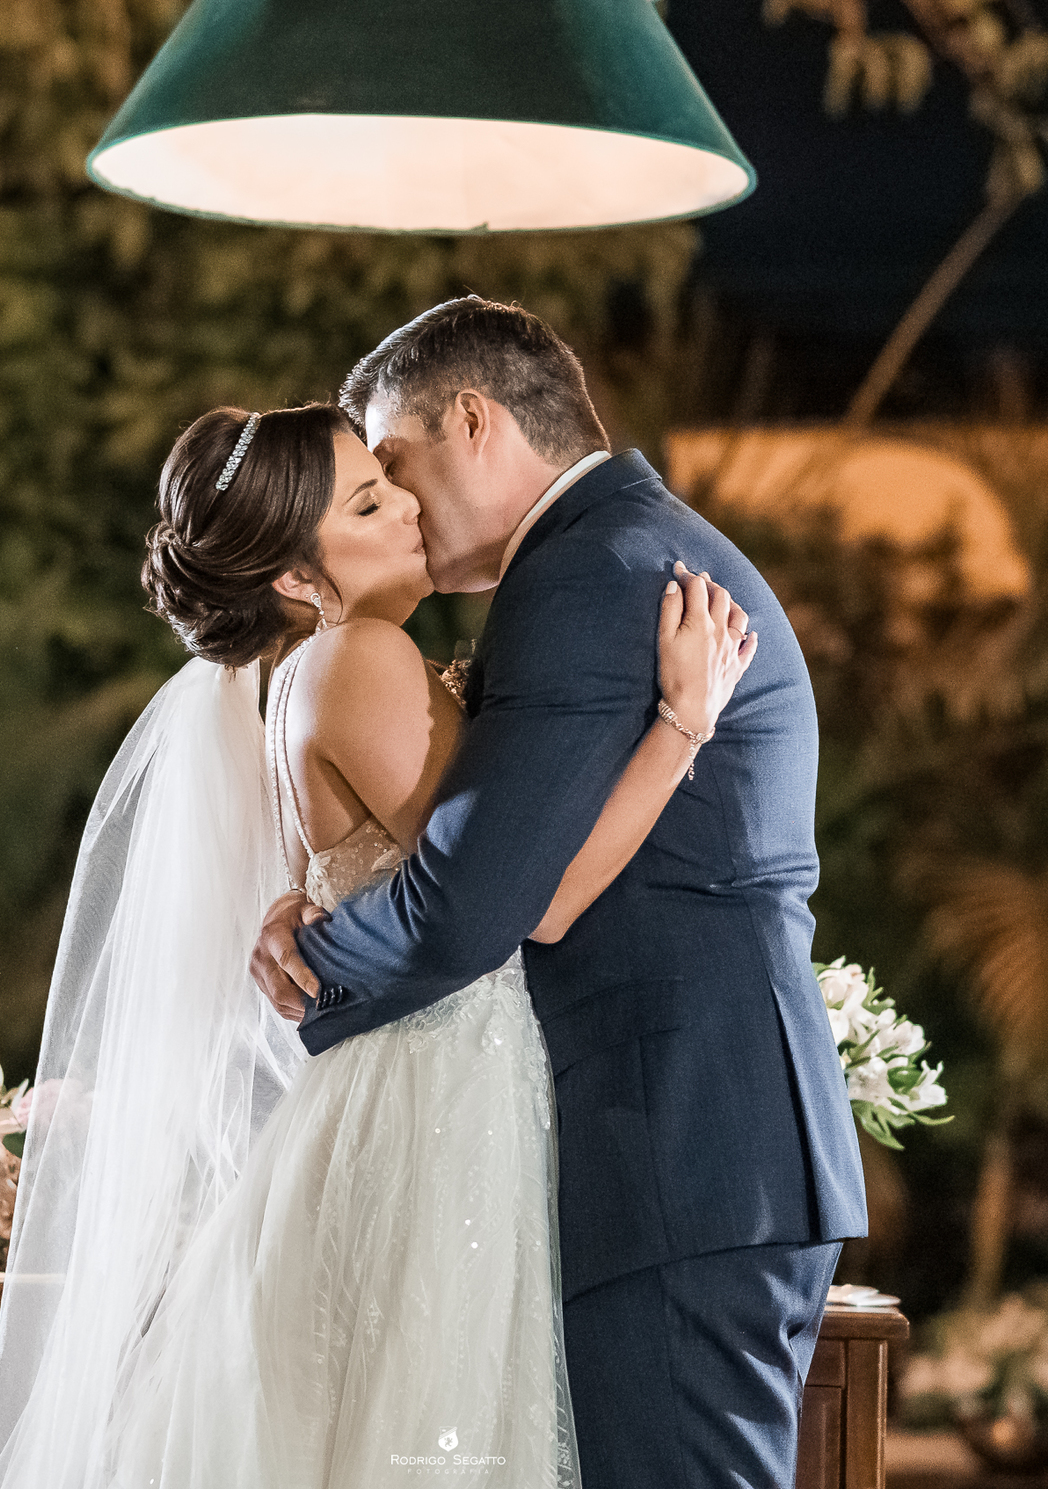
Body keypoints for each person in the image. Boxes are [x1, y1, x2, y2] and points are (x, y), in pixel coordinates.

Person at [0, 397, 754, 1489]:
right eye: (370, 504)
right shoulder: (361, 658)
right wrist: (683, 723)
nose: (411, 509)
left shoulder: (316, 672)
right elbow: (538, 903)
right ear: (300, 576)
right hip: (435, 1091)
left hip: (407, 1081)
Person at [252, 297, 870, 1489]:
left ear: (472, 422)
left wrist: (314, 958)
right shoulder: (627, 548)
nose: (399, 505)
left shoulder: (588, 573)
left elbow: (477, 908)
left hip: (677, 1149)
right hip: (700, 1149)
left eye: (392, 465)